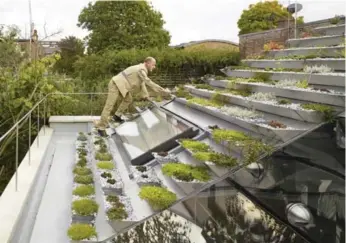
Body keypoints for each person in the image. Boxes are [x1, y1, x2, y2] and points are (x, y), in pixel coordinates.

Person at [95, 57, 170, 135]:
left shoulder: (141, 69)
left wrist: (146, 96)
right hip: (116, 84)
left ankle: (117, 116)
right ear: (147, 63)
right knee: (109, 106)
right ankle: (101, 128)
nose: (154, 67)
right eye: (153, 65)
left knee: (128, 99)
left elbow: (142, 84)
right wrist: (163, 91)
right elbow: (148, 82)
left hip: (122, 86)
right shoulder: (141, 69)